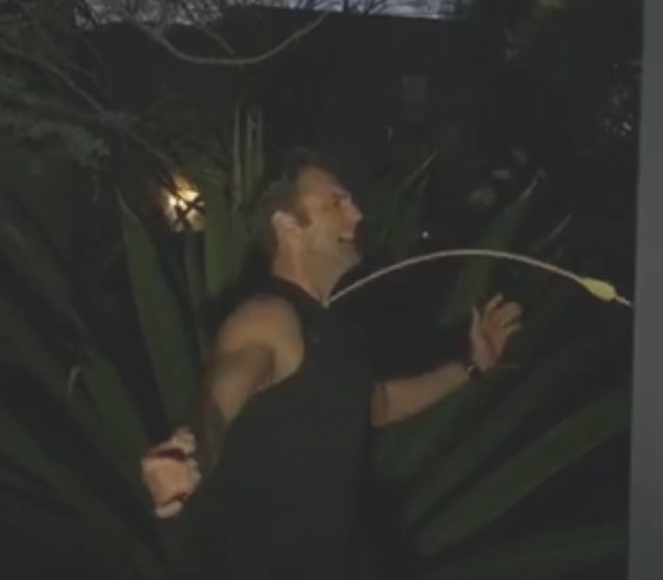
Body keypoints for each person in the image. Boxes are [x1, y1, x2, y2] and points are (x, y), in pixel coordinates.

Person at [141, 147, 522, 580]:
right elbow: (218, 402)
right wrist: (189, 452)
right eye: (335, 203)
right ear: (288, 226)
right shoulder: (269, 316)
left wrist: (472, 366)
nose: (356, 214)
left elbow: (380, 404)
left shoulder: (331, 329)